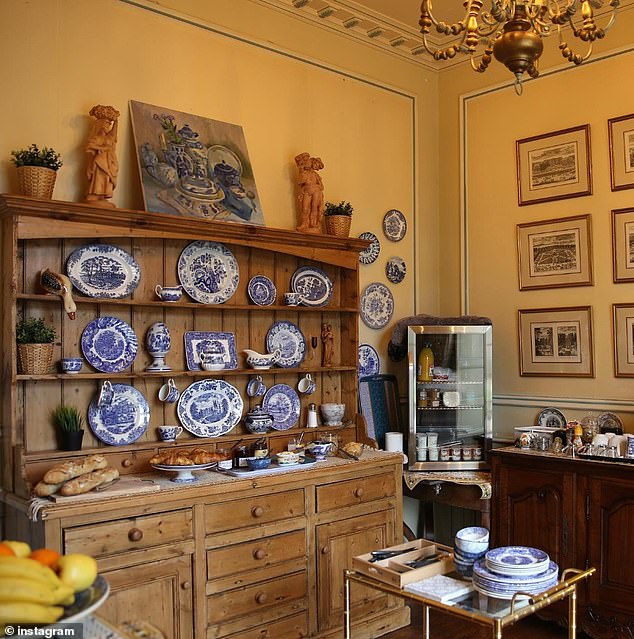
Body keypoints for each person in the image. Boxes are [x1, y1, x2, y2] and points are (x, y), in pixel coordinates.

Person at [85, 104, 120, 207]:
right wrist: (103, 148)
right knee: (98, 178)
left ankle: (102, 195)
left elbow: (114, 133)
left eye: (109, 124)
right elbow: (88, 146)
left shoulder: (109, 137)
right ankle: (95, 194)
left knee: (106, 178)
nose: (107, 126)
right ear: (100, 124)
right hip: (100, 162)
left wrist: (116, 121)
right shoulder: (97, 137)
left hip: (109, 162)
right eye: (106, 123)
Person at [295, 152, 324, 233]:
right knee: (305, 208)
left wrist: (317, 187)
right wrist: (301, 169)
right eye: (317, 166)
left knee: (314, 207)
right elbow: (300, 181)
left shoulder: (316, 175)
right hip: (307, 191)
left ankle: (313, 223)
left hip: (316, 191)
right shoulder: (304, 172)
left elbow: (321, 186)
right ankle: (304, 224)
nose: (317, 169)